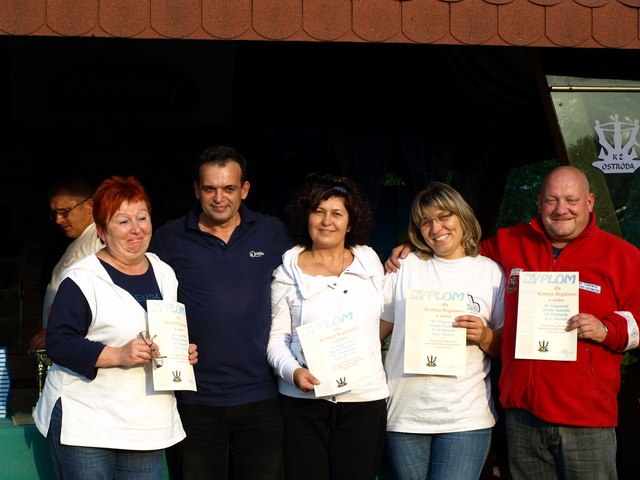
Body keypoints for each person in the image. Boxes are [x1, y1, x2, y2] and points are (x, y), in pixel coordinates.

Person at [386, 166, 640, 479]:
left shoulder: (622, 255)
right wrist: (416, 247)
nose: (561, 209)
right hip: (523, 416)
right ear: (539, 202)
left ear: (589, 202)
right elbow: (458, 250)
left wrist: (607, 330)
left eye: (571, 200)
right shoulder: (511, 242)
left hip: (586, 417)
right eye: (552, 200)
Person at [33, 175, 198, 479]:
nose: (136, 229)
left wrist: (180, 352)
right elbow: (59, 342)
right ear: (101, 231)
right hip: (87, 423)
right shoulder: (82, 278)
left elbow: (166, 327)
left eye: (142, 218)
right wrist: (118, 354)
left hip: (147, 422)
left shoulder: (164, 273)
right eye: (123, 221)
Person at [150, 145, 292, 480]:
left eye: (229, 188)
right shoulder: (168, 239)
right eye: (210, 188)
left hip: (260, 395)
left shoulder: (273, 233)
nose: (219, 198)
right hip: (194, 398)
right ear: (196, 190)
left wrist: (400, 251)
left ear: (245, 189)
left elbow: (321, 258)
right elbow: (133, 284)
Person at [267, 174, 389, 480]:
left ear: (350, 223)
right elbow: (275, 340)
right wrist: (293, 372)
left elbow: (389, 314)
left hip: (364, 401)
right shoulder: (286, 274)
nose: (326, 221)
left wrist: (411, 246)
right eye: (318, 211)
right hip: (302, 406)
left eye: (337, 213)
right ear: (306, 218)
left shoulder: (370, 262)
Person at [380, 182, 504, 480]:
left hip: (465, 417)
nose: (436, 229)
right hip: (404, 415)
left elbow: (505, 347)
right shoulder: (404, 267)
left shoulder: (490, 272)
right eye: (426, 222)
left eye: (444, 216)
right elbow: (374, 333)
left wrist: (484, 335)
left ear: (462, 216)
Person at [30, 176, 103, 350]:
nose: (58, 220)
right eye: (55, 213)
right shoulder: (80, 242)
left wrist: (60, 328)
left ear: (90, 206)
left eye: (64, 212)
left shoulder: (100, 237)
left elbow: (100, 295)